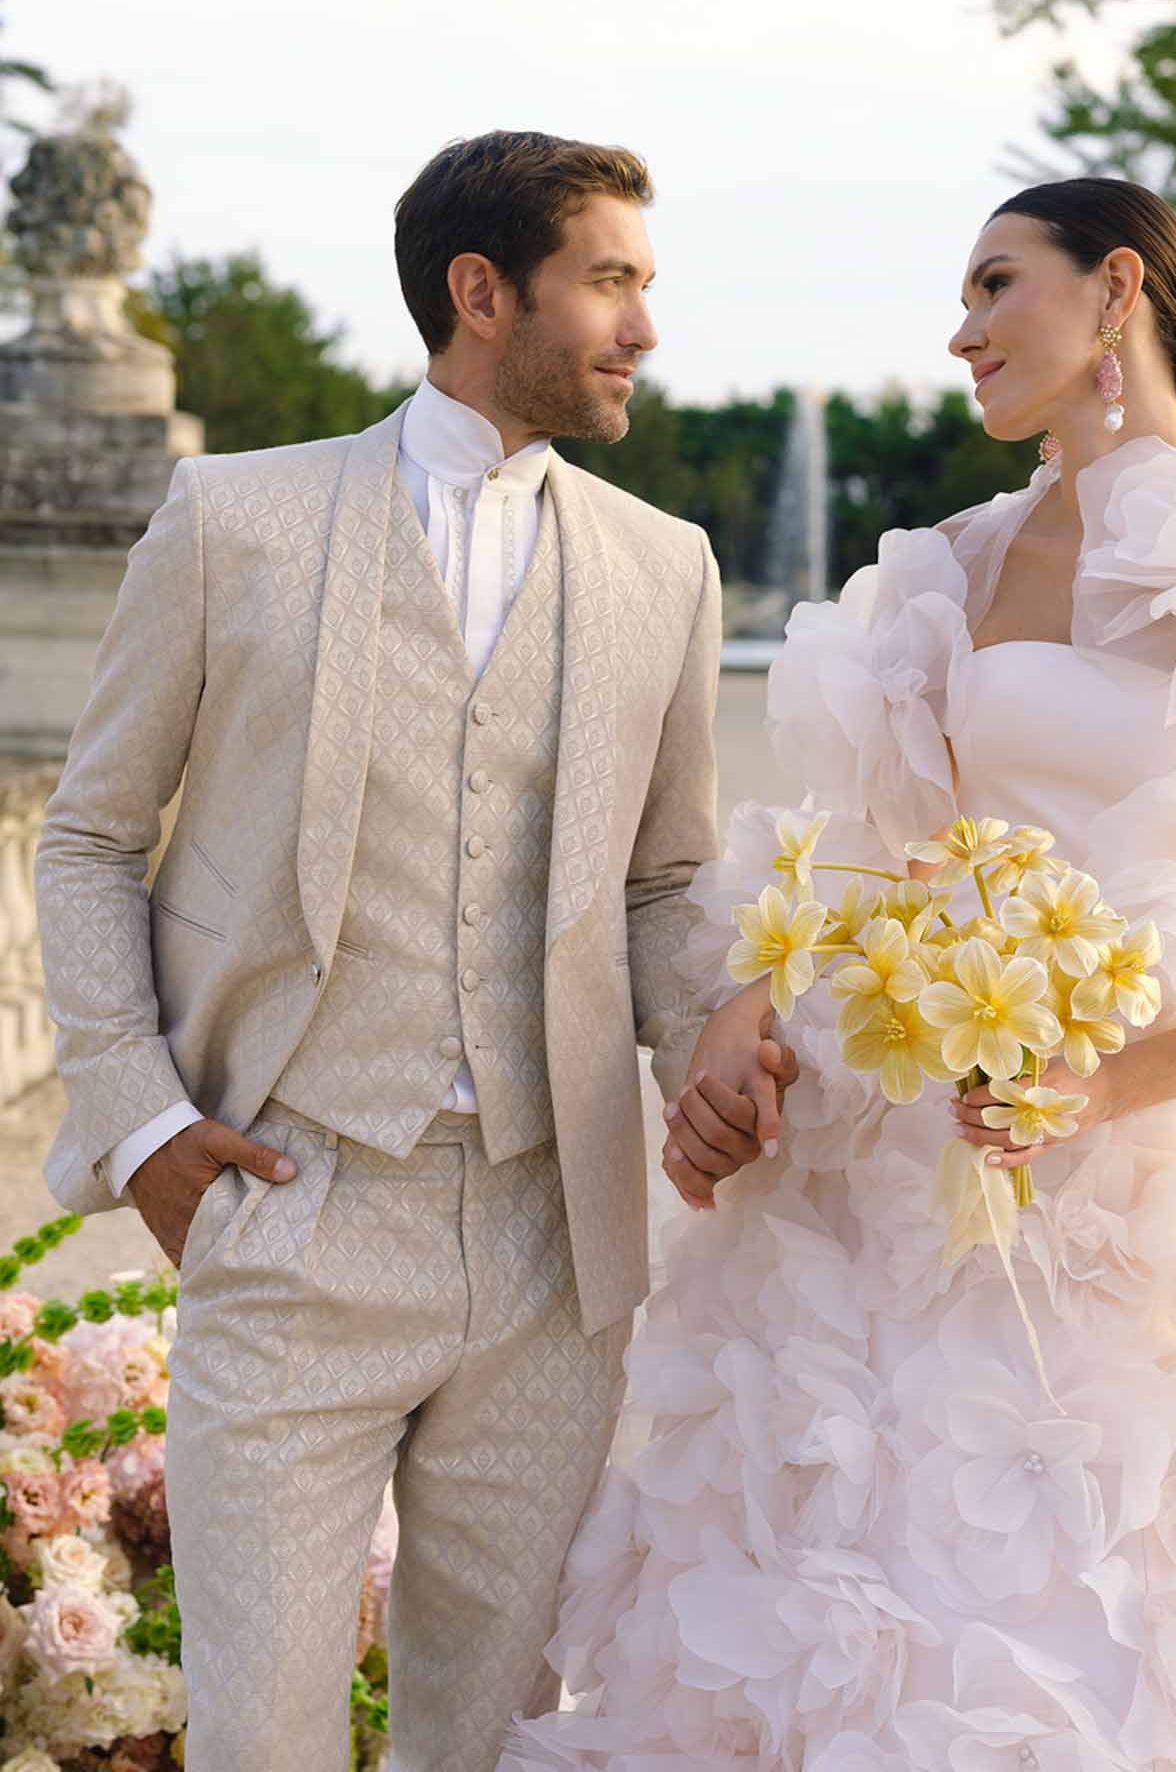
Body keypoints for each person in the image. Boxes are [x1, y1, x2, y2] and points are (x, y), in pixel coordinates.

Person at [502, 177, 1176, 1770]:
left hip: (1172, 1209)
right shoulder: (951, 575)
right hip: (900, 1186)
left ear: (1115, 288)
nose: (961, 330)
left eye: (996, 286)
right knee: (858, 1622)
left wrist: (1104, 1083)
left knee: (1131, 1635)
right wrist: (742, 1014)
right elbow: (849, 862)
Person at [32, 129, 796, 1772]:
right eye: (611, 281)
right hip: (293, 1210)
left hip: (552, 1247)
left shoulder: (665, 570)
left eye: (646, 286)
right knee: (264, 1741)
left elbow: (662, 883)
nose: (645, 328)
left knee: (494, 1742)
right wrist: (144, 1121)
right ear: (481, 291)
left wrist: (717, 1033)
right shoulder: (234, 520)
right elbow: (91, 835)